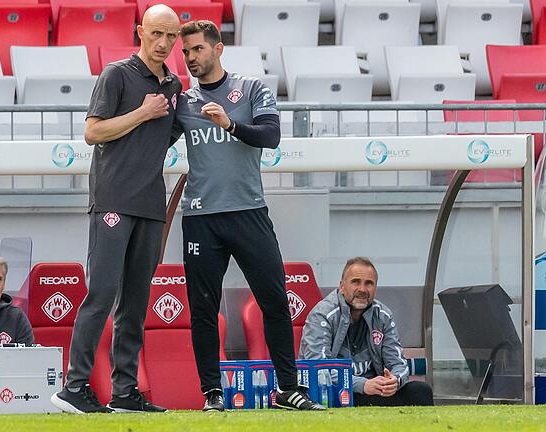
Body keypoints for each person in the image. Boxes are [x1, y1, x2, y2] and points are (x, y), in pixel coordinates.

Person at [172, 20, 324, 411]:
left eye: (197, 50)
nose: (190, 58)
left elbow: (270, 138)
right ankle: (212, 394)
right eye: (185, 52)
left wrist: (229, 123)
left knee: (274, 301)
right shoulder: (183, 101)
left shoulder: (252, 88)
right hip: (201, 218)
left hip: (249, 212)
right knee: (203, 310)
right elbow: (154, 142)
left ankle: (287, 390)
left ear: (218, 48)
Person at [51, 4, 183, 415]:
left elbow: (166, 134)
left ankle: (125, 391)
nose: (163, 43)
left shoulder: (175, 84)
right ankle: (74, 387)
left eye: (171, 37)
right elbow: (93, 131)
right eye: (156, 33)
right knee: (103, 291)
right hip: (112, 199)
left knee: (136, 301)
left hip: (150, 203)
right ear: (140, 31)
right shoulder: (116, 74)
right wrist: (143, 112)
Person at [301, 257, 434, 406]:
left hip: (373, 391)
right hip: (334, 393)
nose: (362, 289)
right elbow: (319, 370)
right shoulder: (321, 315)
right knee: (329, 391)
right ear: (342, 286)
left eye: (369, 283)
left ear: (375, 288)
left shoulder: (383, 315)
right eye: (355, 282)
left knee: (420, 390)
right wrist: (362, 385)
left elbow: (398, 364)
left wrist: (394, 381)